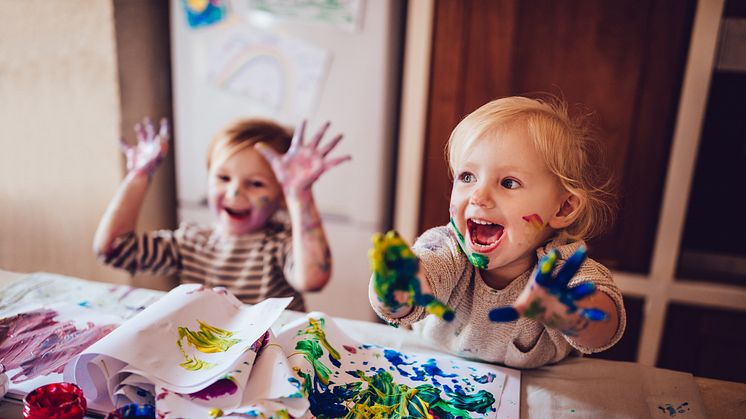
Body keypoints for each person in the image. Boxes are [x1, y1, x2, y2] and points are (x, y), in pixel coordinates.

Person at [369, 96, 625, 368]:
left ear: (562, 208)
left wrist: (573, 315)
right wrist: (394, 290)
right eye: (467, 177)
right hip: (433, 375)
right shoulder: (448, 247)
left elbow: (604, 331)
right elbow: (405, 300)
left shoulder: (560, 270)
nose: (479, 196)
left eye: (508, 182)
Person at [94, 117, 350, 311]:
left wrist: (300, 194)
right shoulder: (190, 242)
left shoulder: (279, 246)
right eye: (223, 177)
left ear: (281, 196)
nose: (234, 192)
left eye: (256, 183)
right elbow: (113, 249)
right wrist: (139, 176)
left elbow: (313, 278)